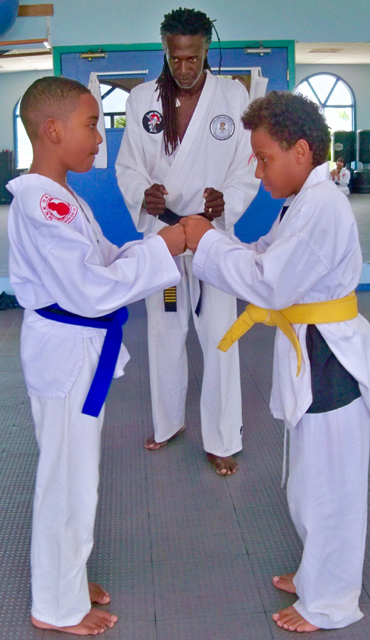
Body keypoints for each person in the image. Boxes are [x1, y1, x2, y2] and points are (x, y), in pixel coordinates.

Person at [181, 91, 370, 632]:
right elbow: (263, 252)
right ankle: (318, 570)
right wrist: (212, 240)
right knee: (310, 479)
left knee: (331, 487)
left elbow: (269, 282)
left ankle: (330, 600)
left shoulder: (322, 207)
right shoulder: (303, 202)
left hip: (330, 357)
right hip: (312, 350)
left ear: (302, 152)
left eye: (264, 158)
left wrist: (207, 244)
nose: (258, 170)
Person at [7, 76, 184, 636]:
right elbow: (90, 288)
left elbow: (108, 258)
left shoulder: (63, 196)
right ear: (52, 130)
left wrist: (162, 243)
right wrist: (167, 247)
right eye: (91, 125)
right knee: (67, 480)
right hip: (66, 353)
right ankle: (55, 606)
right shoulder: (44, 205)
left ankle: (67, 574)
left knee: (76, 475)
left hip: (76, 350)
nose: (99, 140)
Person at [116, 7, 259, 475]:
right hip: (165, 236)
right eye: (175, 57)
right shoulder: (141, 100)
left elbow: (246, 165)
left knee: (219, 334)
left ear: (205, 50)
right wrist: (144, 193)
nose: (183, 67)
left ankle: (222, 437)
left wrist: (229, 199)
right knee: (164, 328)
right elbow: (128, 166)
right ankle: (168, 422)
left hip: (211, 237)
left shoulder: (232, 96)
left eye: (192, 57)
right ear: (164, 48)